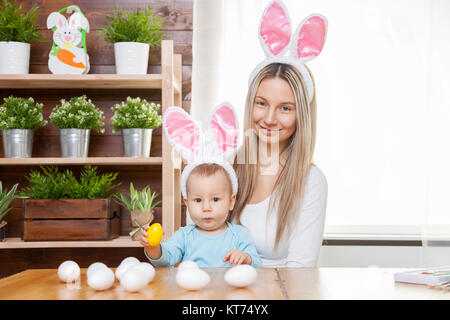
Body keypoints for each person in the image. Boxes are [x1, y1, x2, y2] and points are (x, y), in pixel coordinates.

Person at [229, 1, 328, 267]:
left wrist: (250, 265)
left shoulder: (310, 182)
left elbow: (300, 270)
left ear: (301, 116)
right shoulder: (228, 167)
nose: (269, 118)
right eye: (262, 103)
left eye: (285, 108)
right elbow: (200, 242)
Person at [141, 104, 262, 268]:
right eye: (198, 200)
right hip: (194, 293)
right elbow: (165, 259)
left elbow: (258, 264)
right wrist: (153, 247)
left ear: (231, 201)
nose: (206, 207)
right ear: (186, 202)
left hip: (227, 293)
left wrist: (246, 258)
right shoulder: (184, 236)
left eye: (215, 199)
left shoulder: (239, 235)